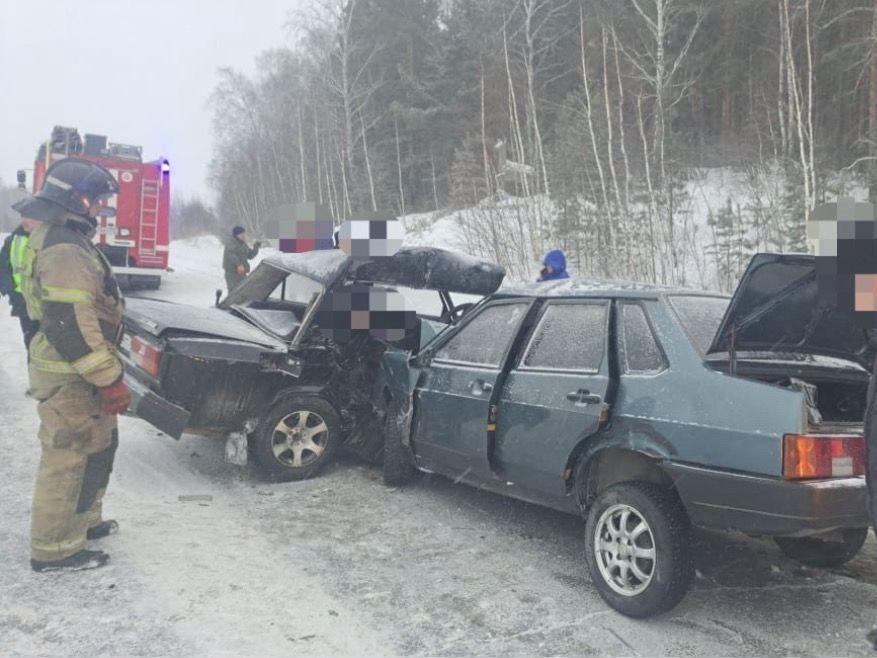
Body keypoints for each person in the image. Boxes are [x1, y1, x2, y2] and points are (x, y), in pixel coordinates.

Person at [12, 157, 130, 572]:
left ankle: (82, 523)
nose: (100, 206)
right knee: (68, 457)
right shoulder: (65, 248)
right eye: (96, 199)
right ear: (74, 198)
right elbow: (70, 326)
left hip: (81, 374)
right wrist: (110, 379)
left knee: (98, 447)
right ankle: (55, 549)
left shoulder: (68, 238)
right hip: (71, 375)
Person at [0, 220, 40, 347]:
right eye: (23, 216)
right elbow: (3, 267)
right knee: (32, 343)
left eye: (30, 217)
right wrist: (10, 290)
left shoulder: (49, 238)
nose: (24, 220)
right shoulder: (13, 239)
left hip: (44, 300)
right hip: (22, 301)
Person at [223, 225, 261, 292]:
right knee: (233, 292)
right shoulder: (230, 242)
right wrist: (239, 264)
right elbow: (231, 255)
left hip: (242, 273)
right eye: (241, 234)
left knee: (244, 291)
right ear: (236, 235)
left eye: (244, 234)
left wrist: (256, 247)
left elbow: (250, 255)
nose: (243, 235)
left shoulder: (243, 244)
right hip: (232, 273)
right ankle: (231, 303)